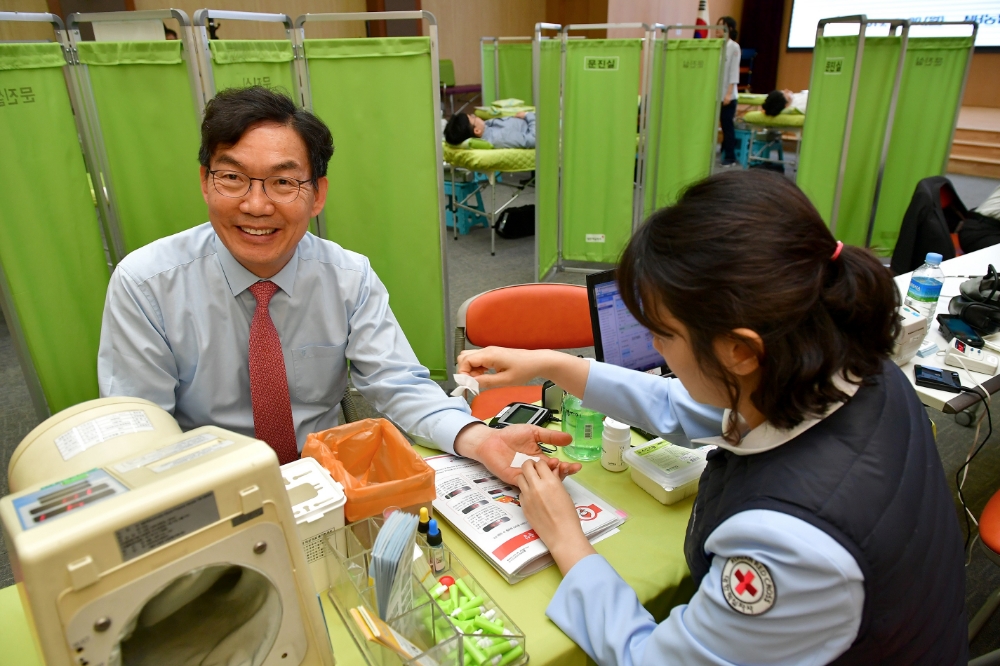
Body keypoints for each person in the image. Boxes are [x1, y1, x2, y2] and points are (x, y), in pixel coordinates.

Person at [458, 170, 967, 664]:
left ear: (741, 351)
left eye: (662, 333)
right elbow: (686, 407)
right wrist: (555, 364)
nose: (652, 346)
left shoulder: (786, 550)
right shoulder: (848, 363)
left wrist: (565, 536)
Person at [97, 86, 575, 485]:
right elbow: (141, 438)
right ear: (205, 182)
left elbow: (398, 383)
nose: (257, 205)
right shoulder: (146, 285)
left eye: (283, 183)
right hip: (210, 492)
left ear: (317, 194)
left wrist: (480, 439)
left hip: (326, 479)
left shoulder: (348, 278)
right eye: (233, 178)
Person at [717, 17, 741, 166]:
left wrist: (728, 94)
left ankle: (730, 157)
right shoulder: (715, 46)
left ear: (729, 29)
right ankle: (723, 150)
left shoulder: (734, 47)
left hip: (728, 95)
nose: (718, 29)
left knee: (727, 126)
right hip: (715, 94)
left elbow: (733, 72)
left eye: (721, 26)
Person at [444, 111, 535, 149]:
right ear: (477, 131)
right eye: (473, 117)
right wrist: (528, 115)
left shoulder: (487, 127)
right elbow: (534, 139)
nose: (476, 116)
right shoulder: (501, 137)